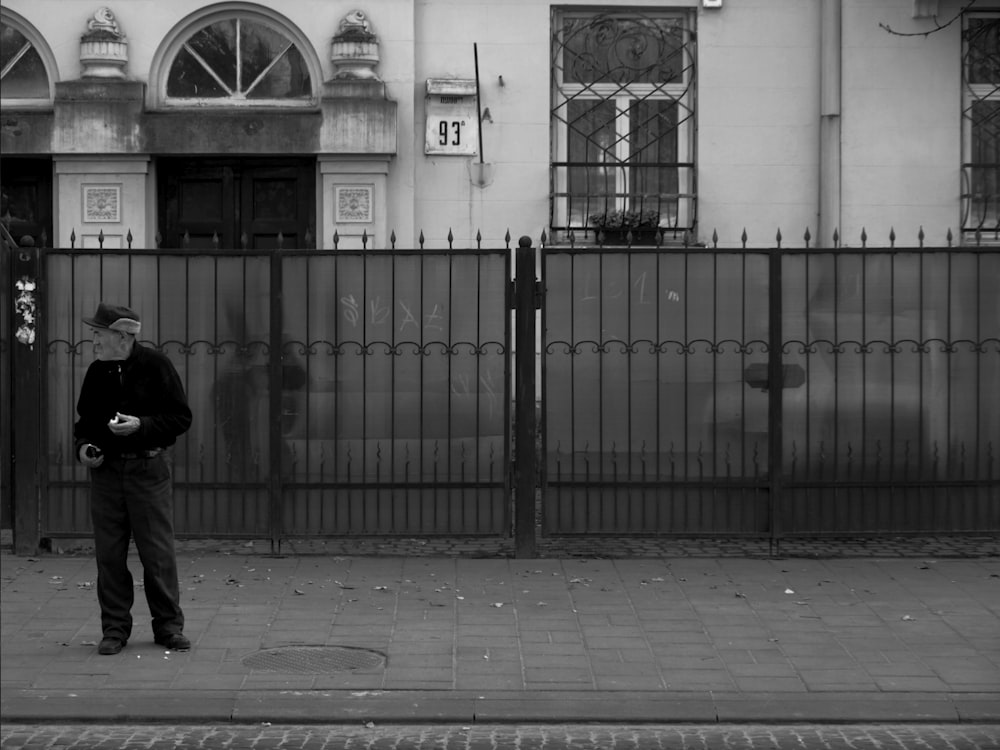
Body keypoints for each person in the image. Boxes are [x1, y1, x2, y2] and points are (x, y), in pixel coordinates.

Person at [74, 302, 193, 655]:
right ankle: (114, 629)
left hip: (148, 470)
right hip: (107, 474)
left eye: (99, 333)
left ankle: (168, 627)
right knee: (109, 555)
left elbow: (180, 418)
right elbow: (85, 425)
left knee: (157, 554)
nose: (93, 339)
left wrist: (142, 426)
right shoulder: (97, 372)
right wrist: (85, 449)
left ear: (122, 337)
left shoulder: (157, 366)